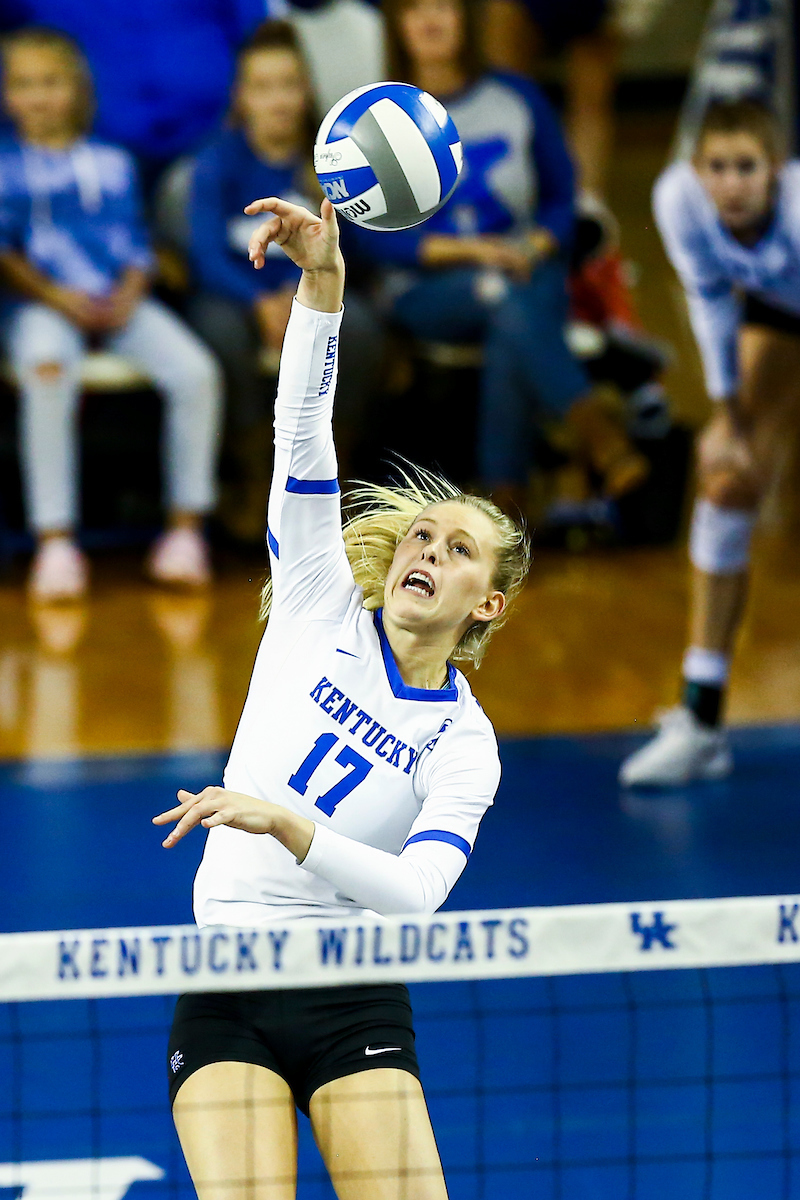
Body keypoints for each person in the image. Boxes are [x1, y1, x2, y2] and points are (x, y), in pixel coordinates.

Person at [152, 195, 529, 1198]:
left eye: (456, 550)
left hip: (353, 1000)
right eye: (420, 534)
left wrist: (285, 822)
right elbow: (298, 432)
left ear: (482, 603)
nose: (425, 551)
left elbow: (416, 895)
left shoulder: (462, 745)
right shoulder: (318, 600)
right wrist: (323, 285)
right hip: (229, 980)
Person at [356, 0, 647, 512]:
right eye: (414, 9)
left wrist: (533, 245)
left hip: (523, 268)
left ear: (465, 18)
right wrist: (471, 251)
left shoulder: (517, 98)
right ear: (396, 26)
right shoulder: (375, 119)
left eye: (442, 7)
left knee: (511, 309)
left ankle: (502, 501)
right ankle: (591, 435)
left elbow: (563, 199)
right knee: (506, 297)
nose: (430, 20)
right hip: (426, 286)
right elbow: (369, 233)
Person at [0, 27, 223, 601]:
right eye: (24, 84)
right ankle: (55, 538)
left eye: (51, 82)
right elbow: (6, 251)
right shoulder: (5, 167)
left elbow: (135, 243)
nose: (39, 97)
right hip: (42, 306)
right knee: (47, 367)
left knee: (196, 373)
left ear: (76, 89)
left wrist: (129, 292)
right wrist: (57, 299)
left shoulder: (113, 163)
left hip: (118, 302)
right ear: (7, 96)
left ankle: (184, 530)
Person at [620, 99, 800, 786]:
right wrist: (728, 414)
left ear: (776, 171)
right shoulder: (679, 201)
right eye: (717, 168)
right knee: (727, 478)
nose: (731, 184)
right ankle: (701, 718)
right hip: (779, 308)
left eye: (747, 167)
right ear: (697, 172)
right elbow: (711, 300)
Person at [187, 20, 382, 542]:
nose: (277, 100)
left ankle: (336, 475)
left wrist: (329, 199)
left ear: (307, 91)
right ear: (241, 97)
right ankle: (253, 474)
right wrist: (258, 302)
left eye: (289, 85)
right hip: (237, 296)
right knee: (216, 331)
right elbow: (205, 255)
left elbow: (361, 254)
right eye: (262, 87)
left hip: (316, 290)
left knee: (361, 327)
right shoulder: (216, 162)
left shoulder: (331, 160)